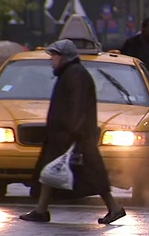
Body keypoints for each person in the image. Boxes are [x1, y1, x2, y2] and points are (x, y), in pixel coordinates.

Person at [19, 39, 126, 224]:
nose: (51, 60)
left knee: (91, 174)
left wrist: (72, 132)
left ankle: (114, 208)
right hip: (66, 134)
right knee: (50, 171)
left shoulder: (75, 74)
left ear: (64, 57)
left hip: (73, 135)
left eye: (54, 56)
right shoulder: (69, 73)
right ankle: (41, 209)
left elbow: (76, 105)